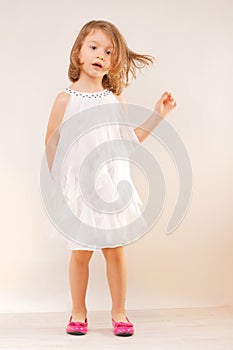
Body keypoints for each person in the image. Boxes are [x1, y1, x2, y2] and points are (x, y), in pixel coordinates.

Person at [45, 19, 177, 337]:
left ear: (113, 62)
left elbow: (128, 141)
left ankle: (119, 311)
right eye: (94, 47)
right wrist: (60, 187)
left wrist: (158, 115)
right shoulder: (65, 99)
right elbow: (51, 143)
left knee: (114, 251)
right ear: (78, 52)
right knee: (80, 253)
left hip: (110, 189)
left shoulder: (112, 99)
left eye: (108, 51)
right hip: (78, 191)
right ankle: (79, 311)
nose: (100, 55)